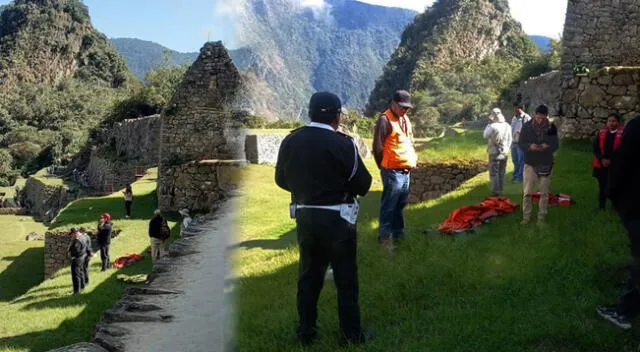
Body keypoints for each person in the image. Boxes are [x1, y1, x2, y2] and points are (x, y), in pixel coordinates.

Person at [275, 91, 373, 346]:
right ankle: (351, 336)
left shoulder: (291, 141)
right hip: (338, 219)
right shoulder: (343, 144)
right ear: (337, 116)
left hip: (305, 216)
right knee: (345, 279)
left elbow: (280, 179)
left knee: (308, 275)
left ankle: (306, 333)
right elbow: (363, 184)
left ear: (310, 112)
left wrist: (305, 191)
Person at [597, 115, 640, 329]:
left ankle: (625, 311)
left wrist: (613, 194)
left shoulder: (636, 127)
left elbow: (622, 165)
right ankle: (627, 308)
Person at [372, 90, 418, 250]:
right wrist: (383, 166)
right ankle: (385, 240)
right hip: (392, 171)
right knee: (389, 206)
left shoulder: (404, 119)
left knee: (400, 204)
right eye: (402, 107)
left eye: (407, 108)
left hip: (405, 171)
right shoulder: (385, 120)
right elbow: (377, 148)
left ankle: (399, 234)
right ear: (393, 103)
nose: (404, 110)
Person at [518, 104, 559, 225]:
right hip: (530, 162)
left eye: (543, 117)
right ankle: (526, 217)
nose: (540, 120)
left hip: (546, 162)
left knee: (544, 193)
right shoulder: (527, 126)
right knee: (527, 193)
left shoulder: (551, 127)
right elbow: (521, 143)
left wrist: (547, 147)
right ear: (535, 115)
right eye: (538, 117)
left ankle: (541, 217)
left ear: (547, 116)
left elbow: (556, 145)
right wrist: (530, 146)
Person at [592, 112, 624, 211]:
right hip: (602, 164)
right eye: (609, 121)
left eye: (613, 121)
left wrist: (612, 160)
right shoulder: (601, 132)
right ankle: (602, 207)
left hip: (615, 165)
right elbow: (596, 147)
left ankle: (615, 207)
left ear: (618, 122)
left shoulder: (623, 134)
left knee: (615, 186)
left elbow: (623, 150)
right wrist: (602, 159)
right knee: (602, 186)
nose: (611, 123)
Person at [483, 108, 513, 196]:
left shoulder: (492, 126)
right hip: (504, 151)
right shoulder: (507, 125)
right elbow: (510, 138)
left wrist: (489, 124)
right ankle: (500, 189)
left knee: (494, 172)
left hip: (494, 151)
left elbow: (485, 135)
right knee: (502, 171)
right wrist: (507, 149)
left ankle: (496, 191)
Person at [511, 104, 532, 183]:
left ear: (521, 109)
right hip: (514, 142)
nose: (515, 110)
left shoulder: (526, 118)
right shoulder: (514, 118)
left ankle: (520, 178)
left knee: (521, 160)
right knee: (515, 160)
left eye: (516, 108)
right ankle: (516, 175)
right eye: (514, 108)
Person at [67, 227, 89, 294]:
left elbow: (76, 250)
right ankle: (82, 286)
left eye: (72, 234)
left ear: (75, 233)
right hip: (82, 257)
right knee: (81, 272)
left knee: (76, 275)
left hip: (77, 259)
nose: (72, 235)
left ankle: (76, 291)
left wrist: (71, 255)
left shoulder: (77, 240)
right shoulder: (83, 237)